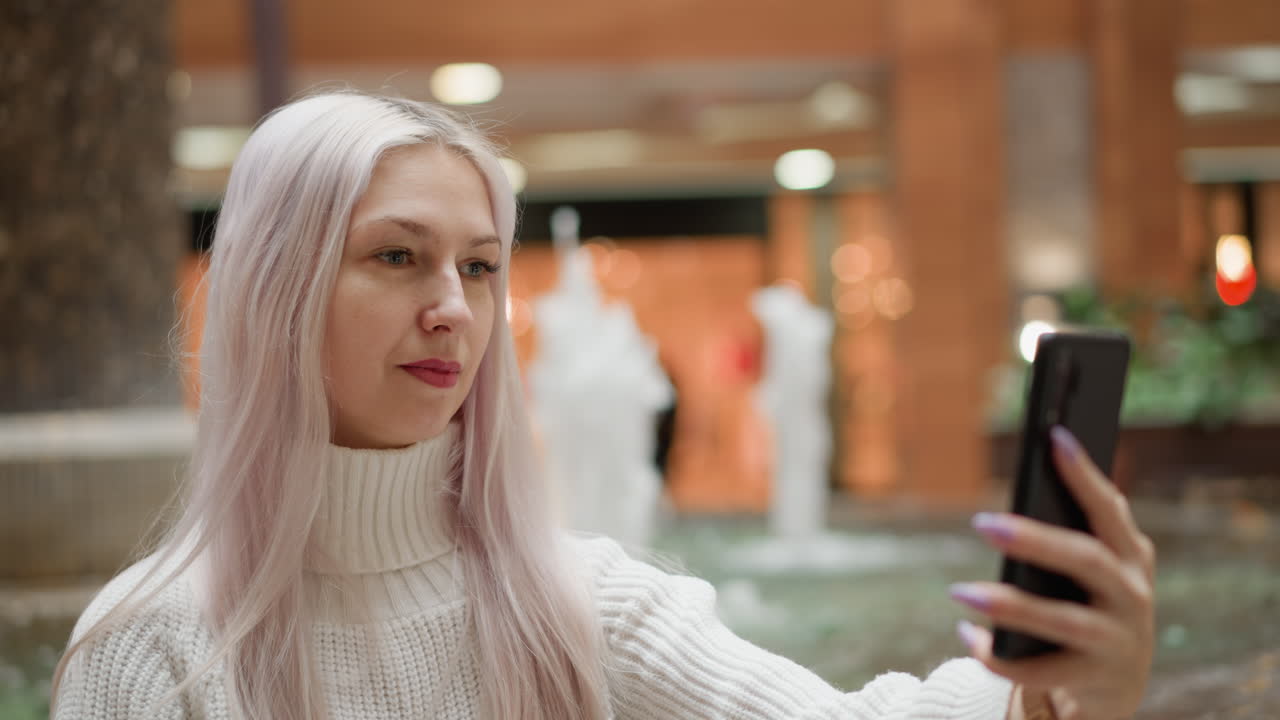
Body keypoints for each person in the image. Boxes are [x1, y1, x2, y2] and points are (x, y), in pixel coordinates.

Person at [51, 91, 1155, 720]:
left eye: (479, 268)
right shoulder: (148, 658)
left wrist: (1050, 693)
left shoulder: (579, 606)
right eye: (397, 256)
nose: (452, 311)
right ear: (275, 286)